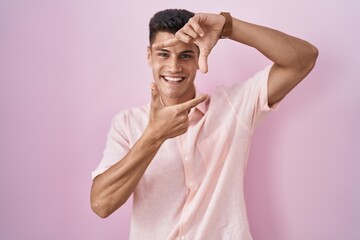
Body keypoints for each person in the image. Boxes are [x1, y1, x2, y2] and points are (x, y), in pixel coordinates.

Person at [90, 9, 318, 240]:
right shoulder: (127, 123)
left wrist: (228, 26)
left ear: (200, 56)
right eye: (164, 54)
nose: (174, 66)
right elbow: (101, 204)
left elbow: (303, 59)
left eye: (186, 55)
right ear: (149, 56)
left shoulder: (232, 106)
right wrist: (154, 136)